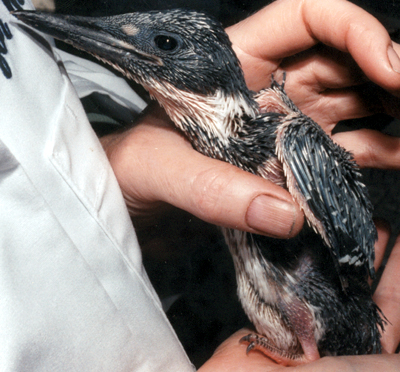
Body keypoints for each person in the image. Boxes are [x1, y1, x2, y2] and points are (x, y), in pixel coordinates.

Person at [0, 1, 399, 372]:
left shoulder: (286, 137)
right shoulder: (233, 133)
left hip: (311, 317)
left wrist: (102, 177)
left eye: (166, 44)